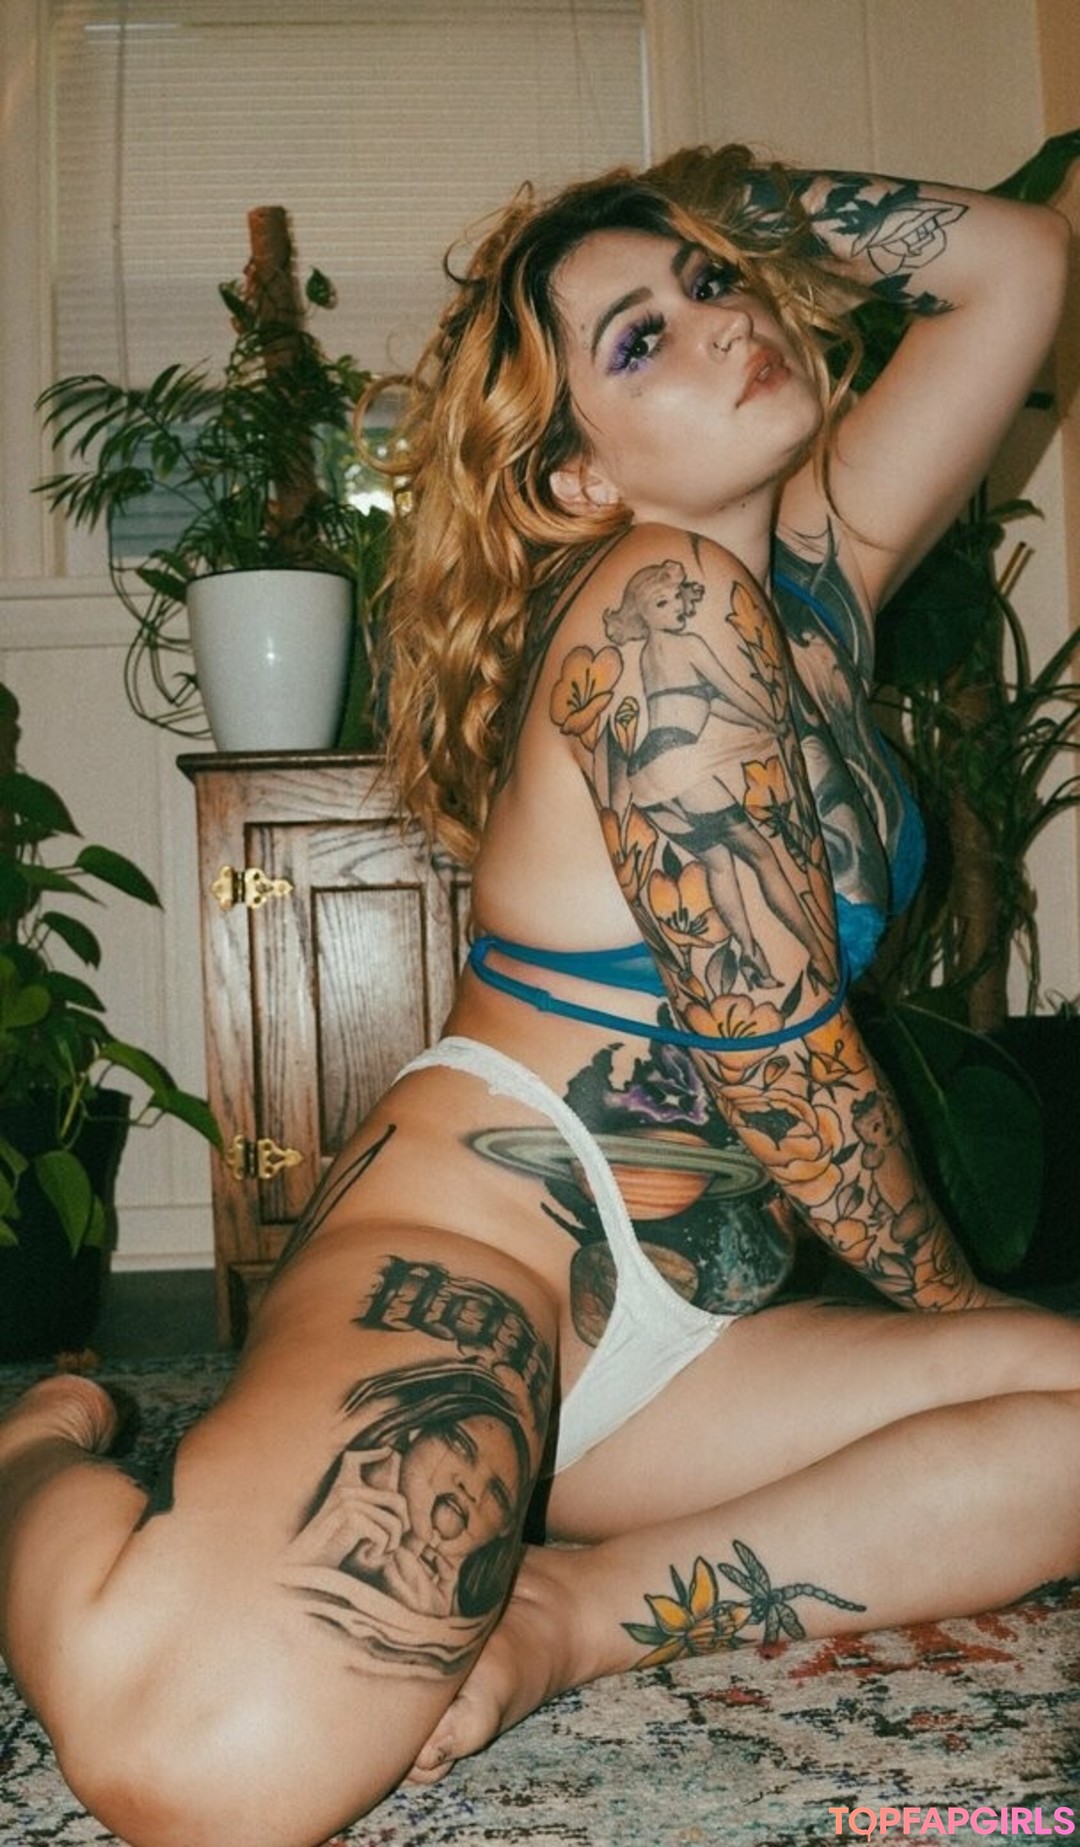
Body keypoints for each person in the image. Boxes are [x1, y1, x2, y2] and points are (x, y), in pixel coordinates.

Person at [2, 139, 1078, 1847]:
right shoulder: (662, 604)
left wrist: (731, 209)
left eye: (715, 286)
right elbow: (781, 1057)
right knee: (202, 1763)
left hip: (698, 1338)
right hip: (484, 1245)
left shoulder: (819, 580)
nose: (724, 324)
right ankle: (34, 1451)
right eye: (641, 340)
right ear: (579, 475)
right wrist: (946, 1314)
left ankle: (572, 1612)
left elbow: (1015, 261)